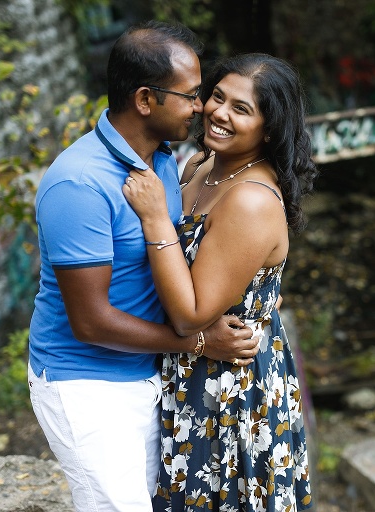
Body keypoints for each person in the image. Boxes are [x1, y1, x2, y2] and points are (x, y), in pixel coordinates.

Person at [27, 21, 259, 512]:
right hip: (86, 385)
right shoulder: (80, 185)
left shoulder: (166, 160)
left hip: (150, 375)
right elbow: (90, 322)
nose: (202, 108)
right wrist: (198, 341)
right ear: (145, 100)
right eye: (191, 95)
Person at [123, 53, 318, 511]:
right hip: (188, 370)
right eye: (216, 97)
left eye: (241, 109)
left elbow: (192, 313)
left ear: (268, 130)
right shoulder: (198, 167)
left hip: (229, 390)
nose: (219, 113)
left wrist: (155, 219)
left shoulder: (251, 199)